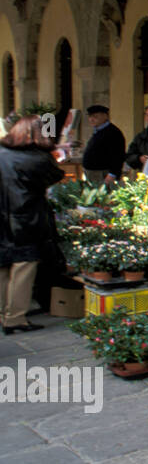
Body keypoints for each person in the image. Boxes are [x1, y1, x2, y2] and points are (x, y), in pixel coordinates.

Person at [0, 116, 65, 334]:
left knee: (3, 267)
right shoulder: (38, 158)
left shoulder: (1, 153)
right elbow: (56, 175)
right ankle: (15, 318)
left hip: (2, 217)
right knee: (23, 268)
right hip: (25, 218)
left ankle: (3, 314)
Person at [81, 104, 125, 185]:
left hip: (103, 174)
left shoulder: (113, 132)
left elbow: (118, 155)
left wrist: (112, 174)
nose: (91, 119)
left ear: (105, 116)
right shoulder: (98, 131)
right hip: (92, 173)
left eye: (95, 116)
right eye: (90, 117)